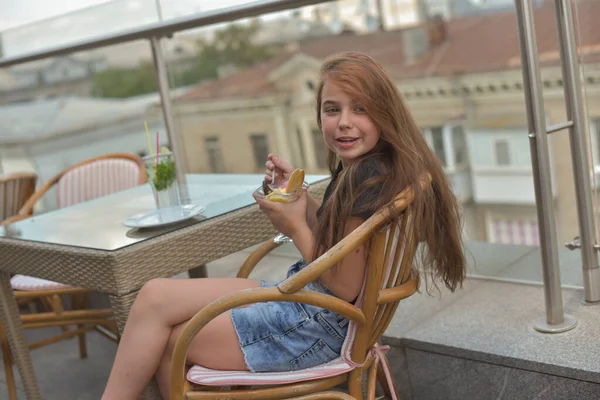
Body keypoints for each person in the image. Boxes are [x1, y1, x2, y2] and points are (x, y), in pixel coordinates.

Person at [101, 51, 466, 400]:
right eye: (331, 109)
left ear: (385, 114)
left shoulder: (368, 180)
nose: (343, 122)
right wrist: (301, 200)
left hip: (315, 326)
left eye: (361, 109)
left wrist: (294, 226)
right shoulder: (375, 166)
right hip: (312, 307)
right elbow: (341, 249)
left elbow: (342, 286)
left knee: (172, 341)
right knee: (154, 295)